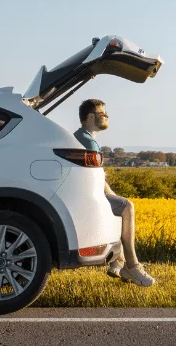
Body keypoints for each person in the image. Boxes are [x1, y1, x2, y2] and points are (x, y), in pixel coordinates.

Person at [74, 99, 155, 287]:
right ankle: (132, 266)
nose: (107, 116)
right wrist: (118, 198)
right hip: (86, 198)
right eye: (103, 113)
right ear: (91, 117)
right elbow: (98, 180)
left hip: (83, 194)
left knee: (120, 204)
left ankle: (118, 261)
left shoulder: (82, 136)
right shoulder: (87, 141)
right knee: (127, 207)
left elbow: (98, 177)